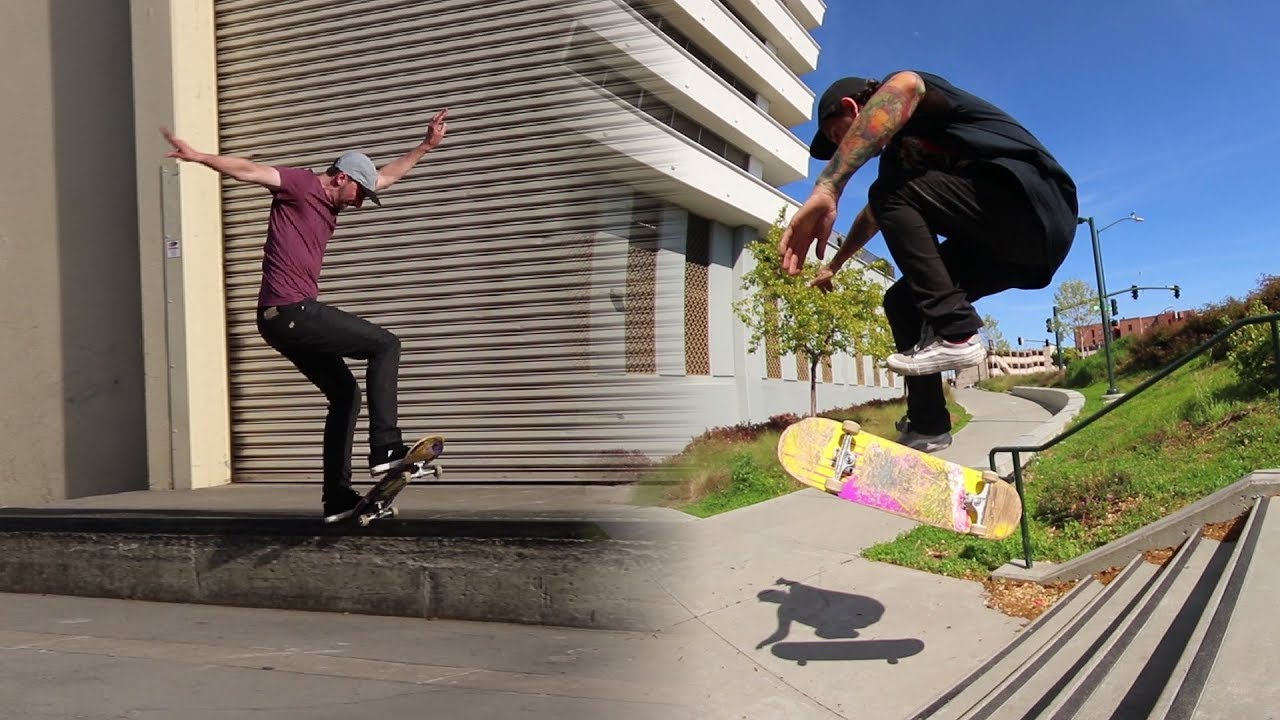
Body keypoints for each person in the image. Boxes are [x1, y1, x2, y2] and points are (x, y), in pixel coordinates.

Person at [161, 109, 449, 519]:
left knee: (345, 395)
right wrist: (200, 156)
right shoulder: (299, 184)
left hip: (278, 320)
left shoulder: (343, 194)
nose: (361, 205)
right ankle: (386, 447)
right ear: (341, 178)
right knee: (386, 344)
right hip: (291, 310)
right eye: (359, 195)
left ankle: (337, 497)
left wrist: (425, 146)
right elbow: (249, 169)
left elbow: (386, 176)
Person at [780, 71, 1077, 453]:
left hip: (1034, 208)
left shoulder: (915, 101)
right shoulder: (898, 167)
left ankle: (956, 333)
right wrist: (834, 265)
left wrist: (830, 185)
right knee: (902, 302)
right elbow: (872, 215)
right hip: (1013, 252)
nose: (850, 147)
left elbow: (906, 85)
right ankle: (928, 425)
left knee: (889, 190)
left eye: (842, 136)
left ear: (854, 108)